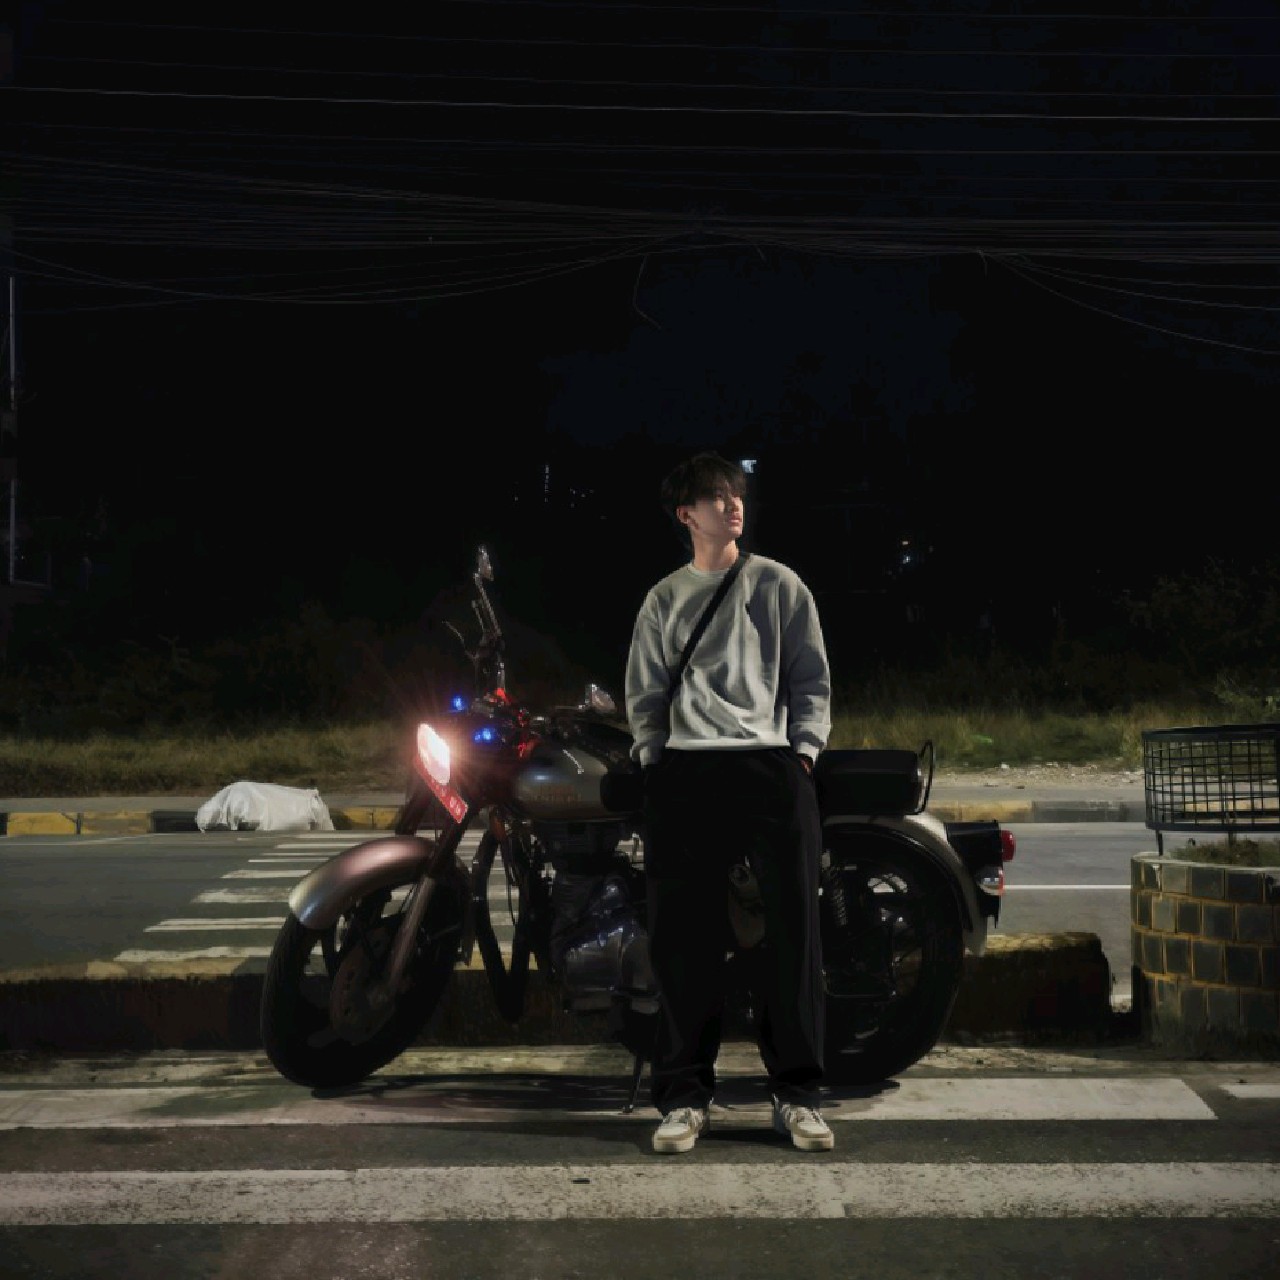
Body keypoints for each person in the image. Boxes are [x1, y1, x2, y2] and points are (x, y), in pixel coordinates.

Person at [624, 450, 833, 1154]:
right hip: (687, 770)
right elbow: (645, 691)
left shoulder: (779, 584)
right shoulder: (664, 597)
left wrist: (804, 753)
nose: (733, 504)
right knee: (683, 941)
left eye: (736, 494)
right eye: (716, 497)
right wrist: (654, 757)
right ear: (686, 514)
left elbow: (810, 678)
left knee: (793, 935)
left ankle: (798, 1096)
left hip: (770, 766)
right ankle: (684, 1099)